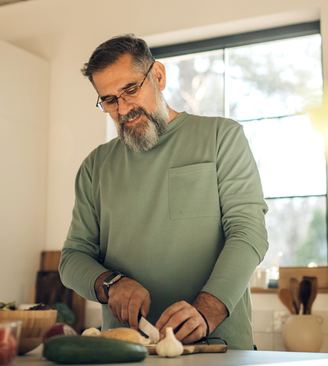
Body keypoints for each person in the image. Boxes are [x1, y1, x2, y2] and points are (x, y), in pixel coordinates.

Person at [58, 34, 269, 350]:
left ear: (158, 75)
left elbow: (248, 233)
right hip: (126, 351)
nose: (124, 108)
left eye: (131, 89)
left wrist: (206, 310)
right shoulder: (95, 166)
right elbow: (72, 258)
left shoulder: (221, 137)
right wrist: (111, 284)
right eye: (110, 100)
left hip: (217, 346)